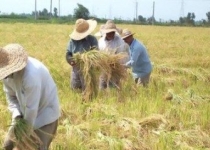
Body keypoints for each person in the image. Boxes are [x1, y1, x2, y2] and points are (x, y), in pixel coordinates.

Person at [0, 43, 60, 150]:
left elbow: (31, 109)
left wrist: (24, 134)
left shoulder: (31, 75)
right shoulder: (6, 75)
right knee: (8, 145)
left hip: (44, 114)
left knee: (37, 146)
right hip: (23, 114)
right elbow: (11, 97)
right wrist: (16, 114)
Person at [66, 18, 98, 91]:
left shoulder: (92, 40)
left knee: (88, 90)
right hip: (76, 69)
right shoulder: (72, 41)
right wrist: (70, 60)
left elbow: (96, 53)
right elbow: (68, 53)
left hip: (88, 69)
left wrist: (86, 58)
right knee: (75, 89)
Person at [98, 20, 130, 89]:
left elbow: (120, 56)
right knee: (102, 86)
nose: (111, 34)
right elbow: (98, 54)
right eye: (109, 32)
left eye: (112, 32)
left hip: (115, 68)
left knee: (114, 87)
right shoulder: (100, 42)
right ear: (105, 32)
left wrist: (113, 62)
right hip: (104, 68)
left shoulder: (119, 41)